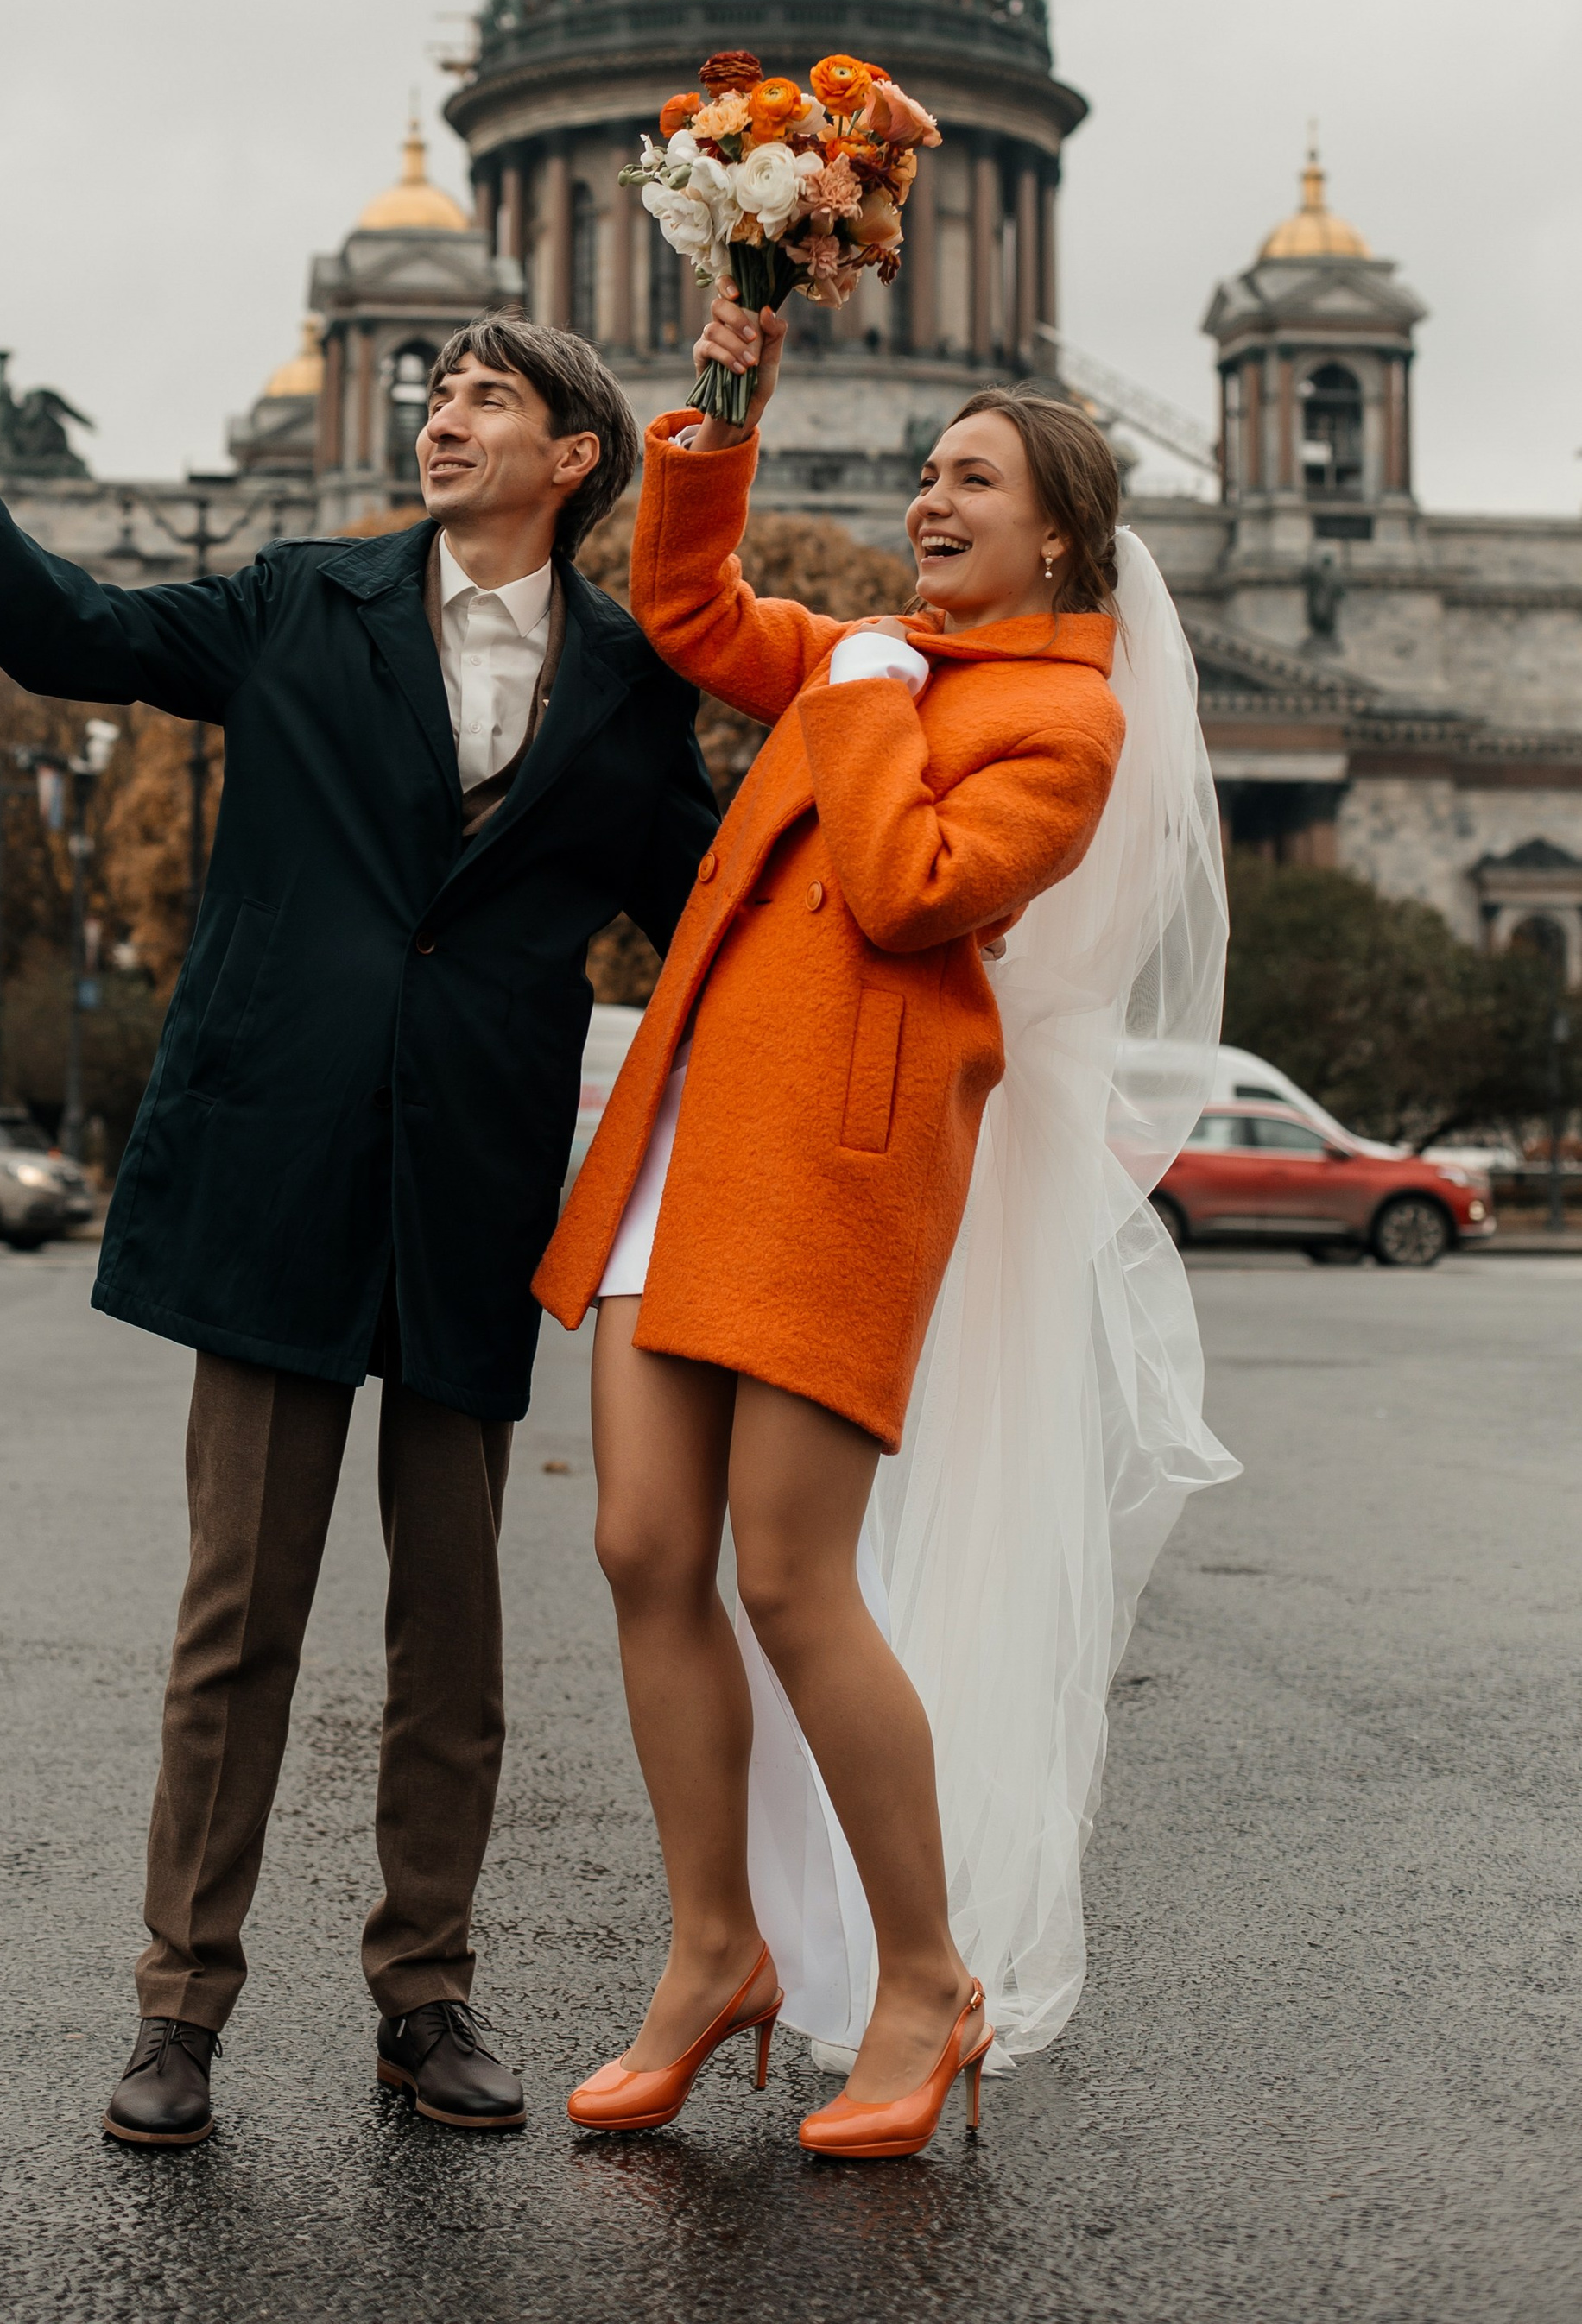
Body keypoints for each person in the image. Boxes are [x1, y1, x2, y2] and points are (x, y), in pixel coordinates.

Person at [0, 294, 715, 2148]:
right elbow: (58, 633)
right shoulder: (292, 602)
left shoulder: (627, 679)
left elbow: (708, 911)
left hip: (471, 1187)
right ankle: (178, 2008)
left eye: (484, 400)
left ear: (572, 459)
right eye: (433, 391)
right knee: (237, 1618)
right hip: (274, 1163)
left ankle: (423, 1998)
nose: (438, 420)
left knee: (453, 1633)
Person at [534, 286, 1233, 2158]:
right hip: (688, 1129)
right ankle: (712, 1954)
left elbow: (908, 888)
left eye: (971, 480)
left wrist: (854, 701)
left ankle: (920, 1979)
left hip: (836, 1162)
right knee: (638, 1544)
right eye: (928, 472)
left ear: (1060, 536)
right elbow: (686, 609)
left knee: (786, 1577)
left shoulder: (1056, 721)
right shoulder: (879, 659)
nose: (929, 500)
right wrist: (718, 398)